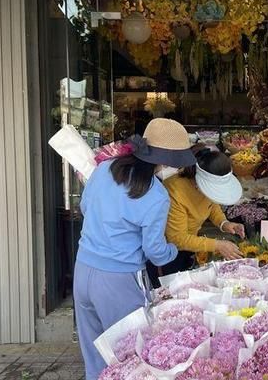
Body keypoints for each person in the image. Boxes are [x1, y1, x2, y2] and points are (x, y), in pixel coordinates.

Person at [73, 118, 196, 380]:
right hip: (119, 281)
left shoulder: (104, 168)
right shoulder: (155, 194)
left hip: (83, 271)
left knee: (94, 354)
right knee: (130, 356)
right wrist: (174, 251)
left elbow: (85, 207)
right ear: (169, 161)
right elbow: (155, 251)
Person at [148, 147, 245, 279]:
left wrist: (224, 223)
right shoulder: (175, 192)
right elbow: (178, 239)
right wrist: (217, 245)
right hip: (168, 253)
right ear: (198, 180)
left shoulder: (203, 189)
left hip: (192, 243)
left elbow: (211, 204)